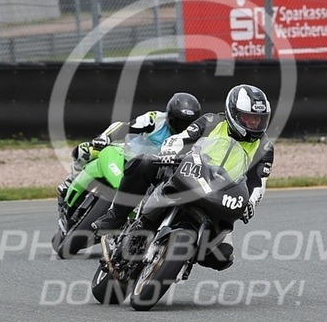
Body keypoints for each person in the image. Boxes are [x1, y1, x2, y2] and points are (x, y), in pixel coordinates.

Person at [92, 84, 274, 271]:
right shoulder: (211, 121)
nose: (254, 123)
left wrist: (250, 203)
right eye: (247, 117)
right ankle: (115, 217)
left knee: (223, 257)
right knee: (144, 163)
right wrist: (169, 151)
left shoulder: (265, 147)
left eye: (259, 119)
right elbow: (182, 138)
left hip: (220, 196)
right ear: (233, 113)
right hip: (189, 174)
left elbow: (258, 182)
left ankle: (184, 258)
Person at [56, 92, 202, 216]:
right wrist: (105, 137)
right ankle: (68, 183)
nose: (182, 126)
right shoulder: (156, 119)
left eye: (187, 123)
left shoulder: (195, 137)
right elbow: (125, 127)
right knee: (86, 150)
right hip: (128, 153)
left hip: (152, 174)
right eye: (178, 121)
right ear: (169, 115)